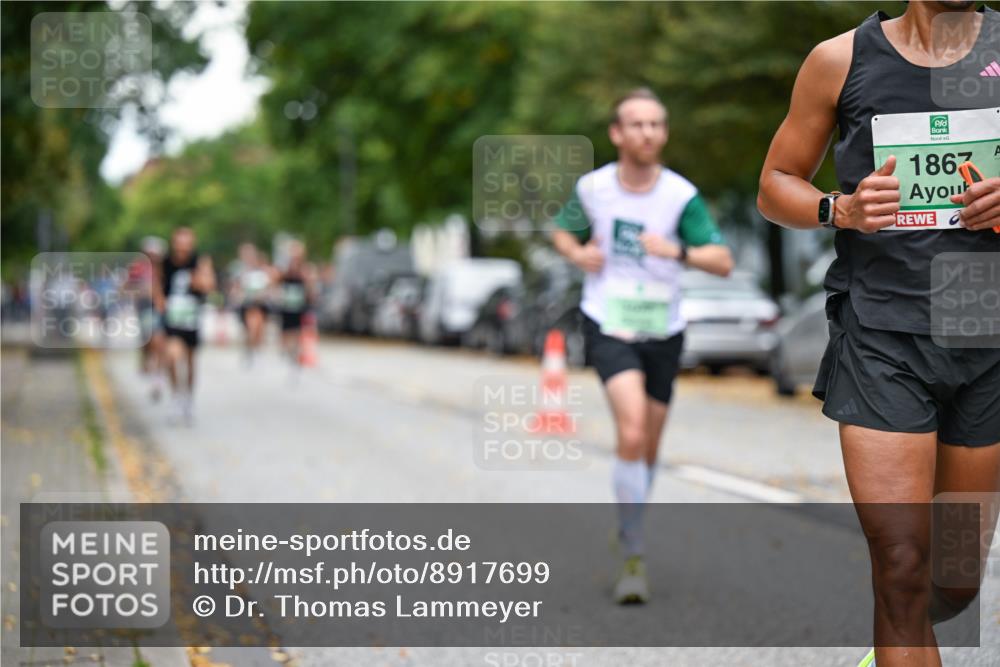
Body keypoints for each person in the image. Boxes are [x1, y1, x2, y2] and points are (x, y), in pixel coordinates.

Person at [757, 3, 999, 665]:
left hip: (987, 334)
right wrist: (841, 208)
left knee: (950, 581)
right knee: (898, 565)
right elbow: (775, 184)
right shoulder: (840, 60)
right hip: (882, 335)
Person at [551, 87, 733, 604]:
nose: (647, 132)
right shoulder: (593, 189)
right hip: (609, 321)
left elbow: (722, 260)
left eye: (656, 124)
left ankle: (629, 521)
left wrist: (676, 251)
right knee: (630, 429)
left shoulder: (679, 195)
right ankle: (633, 550)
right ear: (616, 133)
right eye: (636, 124)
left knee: (648, 447)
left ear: (664, 133)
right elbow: (562, 233)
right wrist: (578, 252)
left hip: (664, 327)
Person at [153, 227, 216, 425]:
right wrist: (160, 301)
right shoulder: (165, 262)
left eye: (186, 245)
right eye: (179, 244)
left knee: (189, 362)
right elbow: (156, 284)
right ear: (174, 243)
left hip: (191, 318)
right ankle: (175, 396)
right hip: (172, 319)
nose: (183, 249)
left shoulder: (200, 261)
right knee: (172, 356)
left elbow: (209, 285)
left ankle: (188, 398)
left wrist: (197, 280)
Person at [128, 236, 167, 401]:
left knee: (160, 342)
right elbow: (128, 286)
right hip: (146, 309)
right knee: (150, 341)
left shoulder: (166, 269)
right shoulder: (138, 267)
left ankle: (157, 378)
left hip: (163, 310)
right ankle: (146, 363)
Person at [229, 242, 273, 367]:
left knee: (258, 328)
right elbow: (234, 288)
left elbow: (270, 286)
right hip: (246, 304)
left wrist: (265, 294)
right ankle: (250, 351)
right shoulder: (238, 270)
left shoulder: (263, 269)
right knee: (249, 329)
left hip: (260, 304)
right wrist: (237, 295)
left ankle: (256, 350)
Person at [276, 240, 317, 370]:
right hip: (286, 305)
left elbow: (311, 289)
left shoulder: (306, 269)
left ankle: (296, 354)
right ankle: (287, 352)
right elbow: (276, 282)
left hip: (300, 306)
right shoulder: (285, 269)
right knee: (286, 332)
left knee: (298, 331)